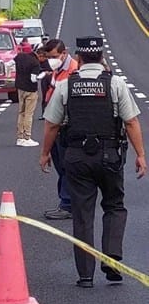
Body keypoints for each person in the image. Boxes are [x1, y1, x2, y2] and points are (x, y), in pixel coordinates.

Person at [39, 36, 146, 288]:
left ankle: (85, 275)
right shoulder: (115, 83)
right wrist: (140, 154)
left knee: (83, 214)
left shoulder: (67, 85)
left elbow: (52, 124)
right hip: (110, 156)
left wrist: (44, 154)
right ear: (101, 57)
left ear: (79, 57)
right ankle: (112, 261)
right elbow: (131, 122)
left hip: (76, 157)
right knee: (114, 206)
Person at [41, 38, 80, 220]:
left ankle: (67, 204)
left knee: (66, 167)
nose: (51, 59)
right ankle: (66, 202)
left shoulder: (73, 71)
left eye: (54, 56)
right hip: (55, 125)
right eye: (48, 57)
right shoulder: (57, 71)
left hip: (65, 127)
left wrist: (44, 151)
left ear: (64, 53)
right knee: (61, 167)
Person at [13, 43, 45, 146]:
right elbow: (33, 79)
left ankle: (20, 137)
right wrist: (43, 75)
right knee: (28, 114)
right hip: (30, 90)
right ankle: (27, 137)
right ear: (40, 55)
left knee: (21, 113)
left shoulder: (21, 56)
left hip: (20, 88)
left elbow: (10, 63)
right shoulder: (35, 63)